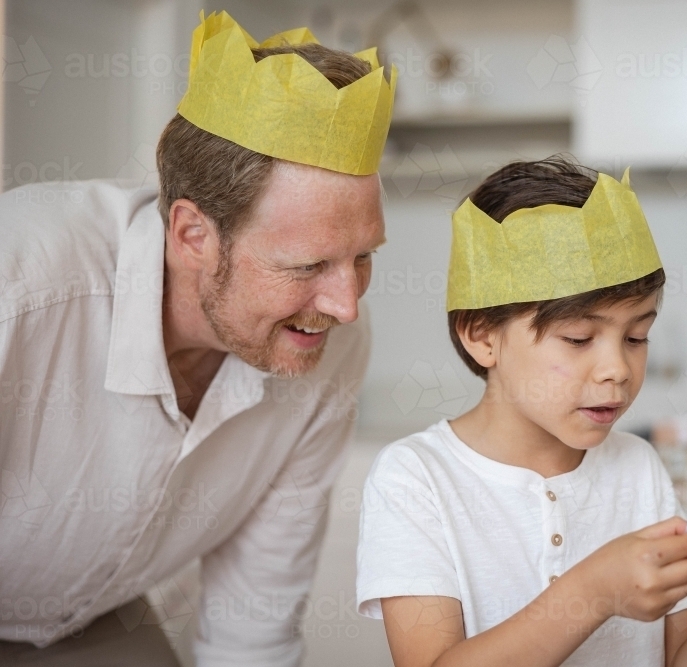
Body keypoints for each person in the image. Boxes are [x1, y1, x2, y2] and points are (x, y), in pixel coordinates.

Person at [0, 11, 395, 666]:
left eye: (363, 257)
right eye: (306, 266)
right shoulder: (22, 282)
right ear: (192, 235)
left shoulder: (330, 346)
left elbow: (253, 622)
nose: (346, 305)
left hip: (95, 616)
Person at [355, 157, 687, 667]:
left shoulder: (638, 468)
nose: (618, 369)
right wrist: (593, 591)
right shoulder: (416, 478)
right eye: (579, 338)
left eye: (636, 336)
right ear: (481, 335)